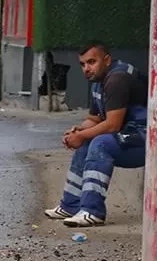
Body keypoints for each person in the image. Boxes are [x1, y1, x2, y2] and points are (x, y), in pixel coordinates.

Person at [43, 42, 148, 227]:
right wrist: (78, 131)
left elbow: (112, 125)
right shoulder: (99, 81)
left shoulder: (117, 79)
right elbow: (94, 119)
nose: (86, 68)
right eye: (83, 64)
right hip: (130, 135)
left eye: (91, 62)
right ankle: (70, 205)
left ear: (106, 60)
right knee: (87, 140)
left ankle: (93, 212)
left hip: (148, 137)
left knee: (100, 143)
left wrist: (83, 136)